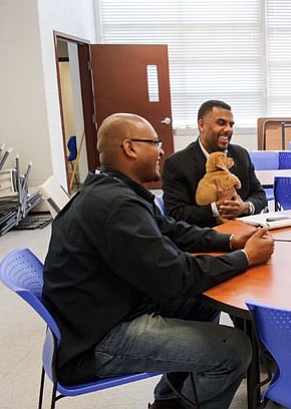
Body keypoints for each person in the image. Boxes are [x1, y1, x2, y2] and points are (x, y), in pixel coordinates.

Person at [42, 113, 275, 409]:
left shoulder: (111, 188)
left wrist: (230, 240)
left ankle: (168, 400)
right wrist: (244, 257)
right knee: (236, 352)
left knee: (201, 301)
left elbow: (172, 229)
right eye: (154, 142)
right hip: (99, 338)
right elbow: (176, 276)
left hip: (106, 309)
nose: (162, 150)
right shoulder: (116, 206)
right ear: (130, 148)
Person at [162, 100, 267, 227]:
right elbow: (176, 214)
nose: (228, 129)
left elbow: (259, 195)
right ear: (202, 125)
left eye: (231, 125)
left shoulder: (240, 154)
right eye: (221, 123)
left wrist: (245, 207)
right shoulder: (177, 163)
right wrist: (216, 208)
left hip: (243, 230)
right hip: (204, 237)